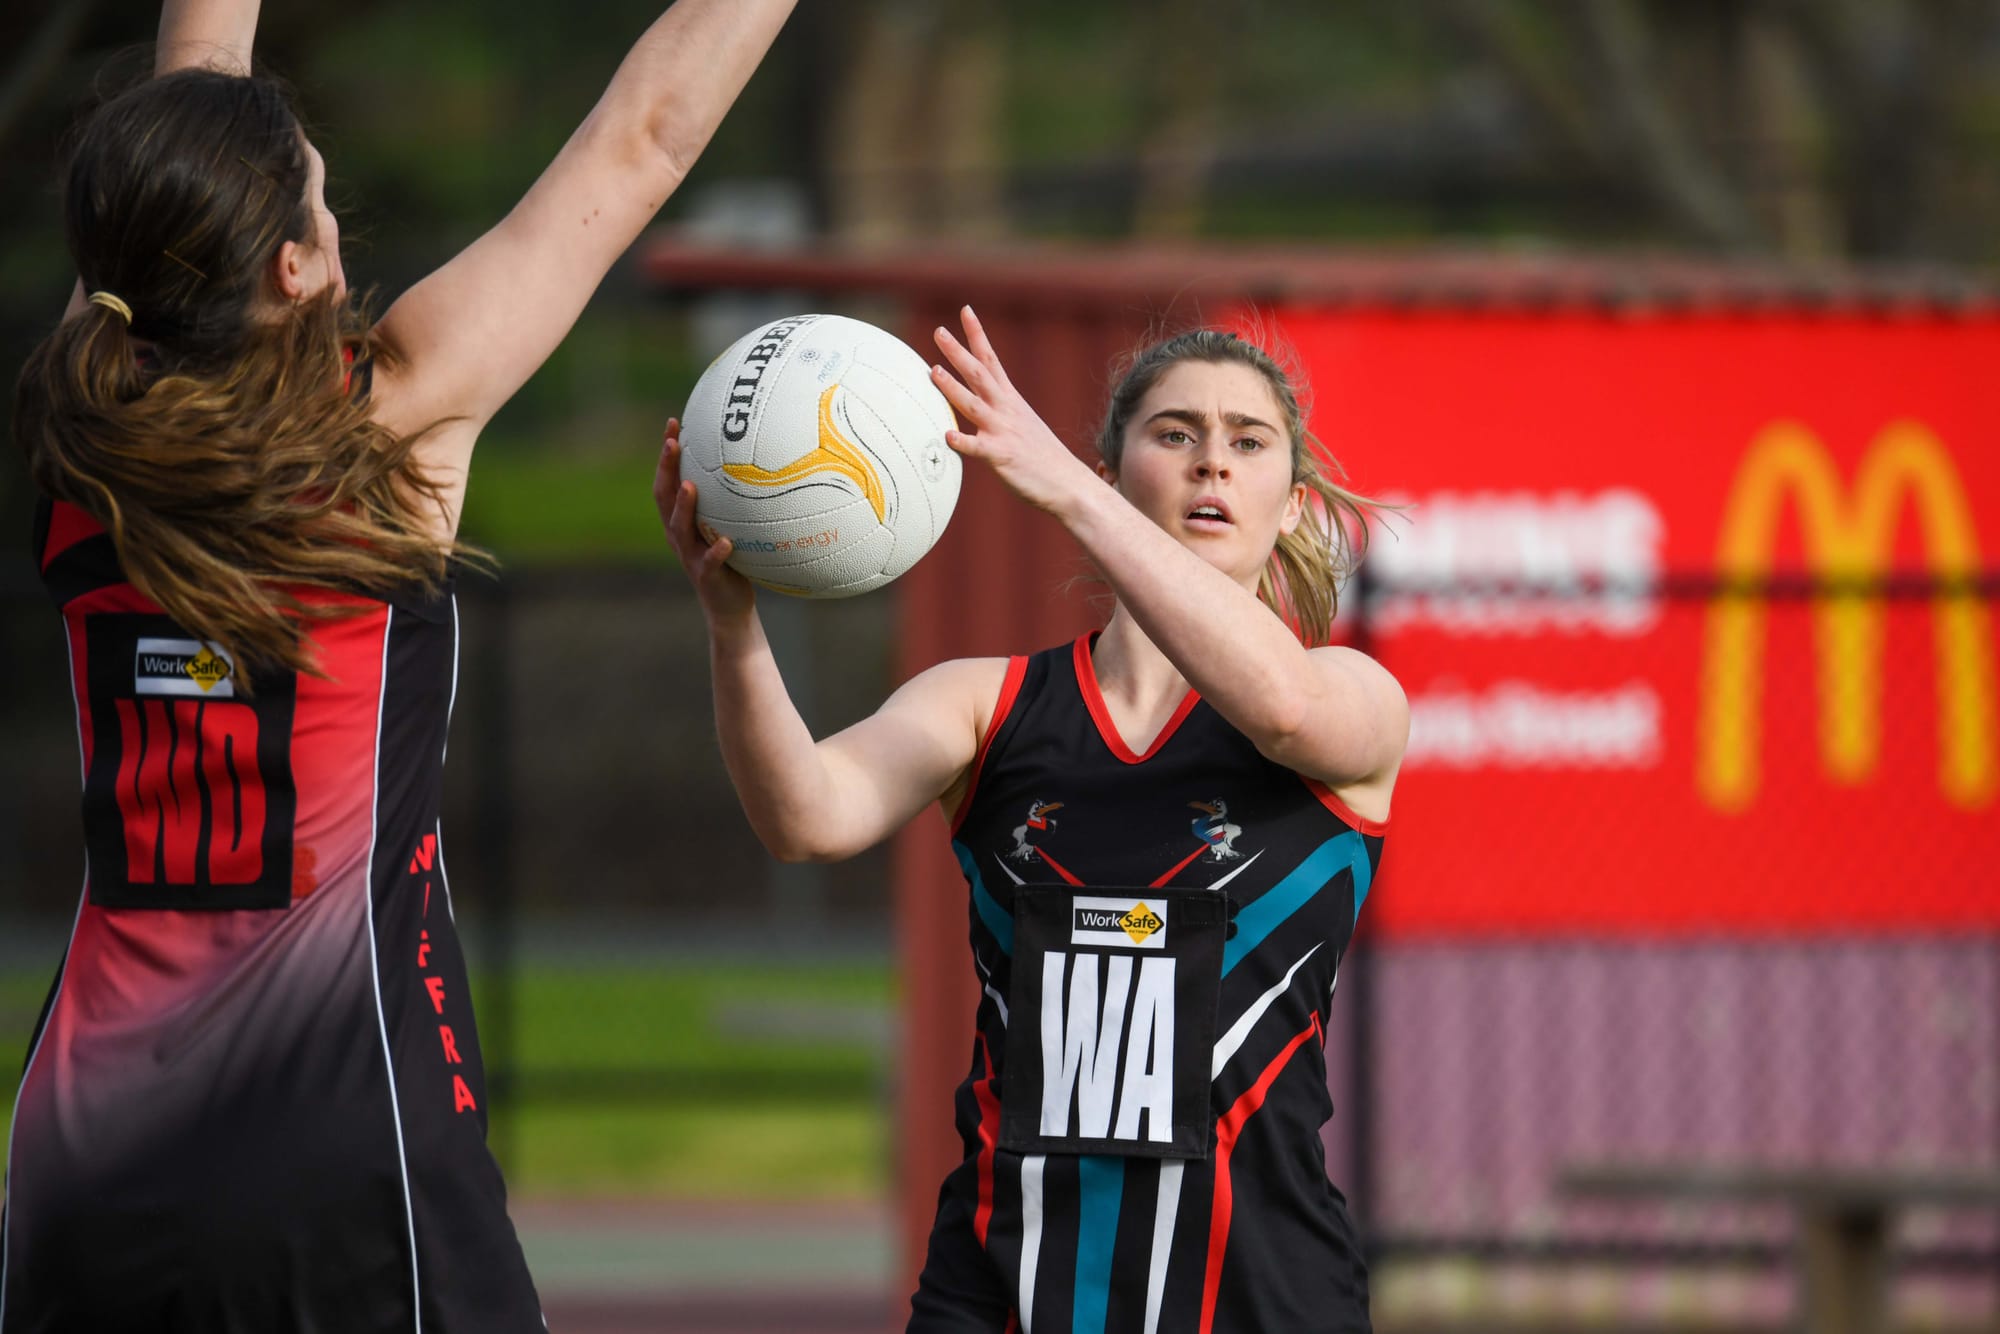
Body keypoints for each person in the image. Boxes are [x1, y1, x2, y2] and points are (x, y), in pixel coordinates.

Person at [4, 0, 793, 1328]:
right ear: (298, 271)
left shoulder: (84, 436)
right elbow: (642, 137)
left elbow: (185, 103)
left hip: (90, 1141)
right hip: (340, 1132)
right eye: (315, 196)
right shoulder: (393, 420)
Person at [657, 307, 1408, 1333]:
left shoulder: (1347, 695)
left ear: (1289, 506)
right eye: (1174, 433)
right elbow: (806, 815)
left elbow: (1279, 707)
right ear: (1115, 474)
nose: (1210, 465)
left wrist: (1054, 482)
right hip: (1003, 1287)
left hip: (1255, 1292)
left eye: (1246, 442)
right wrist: (731, 621)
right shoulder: (988, 703)